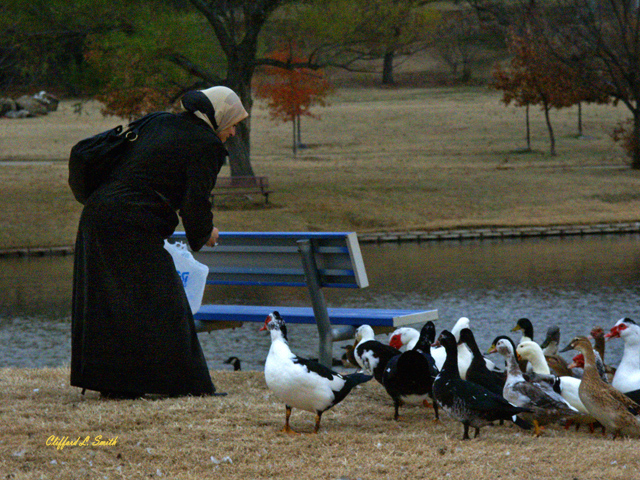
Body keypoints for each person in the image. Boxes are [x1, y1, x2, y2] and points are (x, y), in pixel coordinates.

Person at [70, 86, 248, 399]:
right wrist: (205, 232)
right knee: (168, 303)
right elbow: (196, 201)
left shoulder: (158, 121)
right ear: (217, 117)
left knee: (110, 303)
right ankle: (187, 386)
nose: (232, 132)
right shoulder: (206, 143)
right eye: (232, 123)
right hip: (131, 223)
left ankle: (116, 386)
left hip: (98, 214)